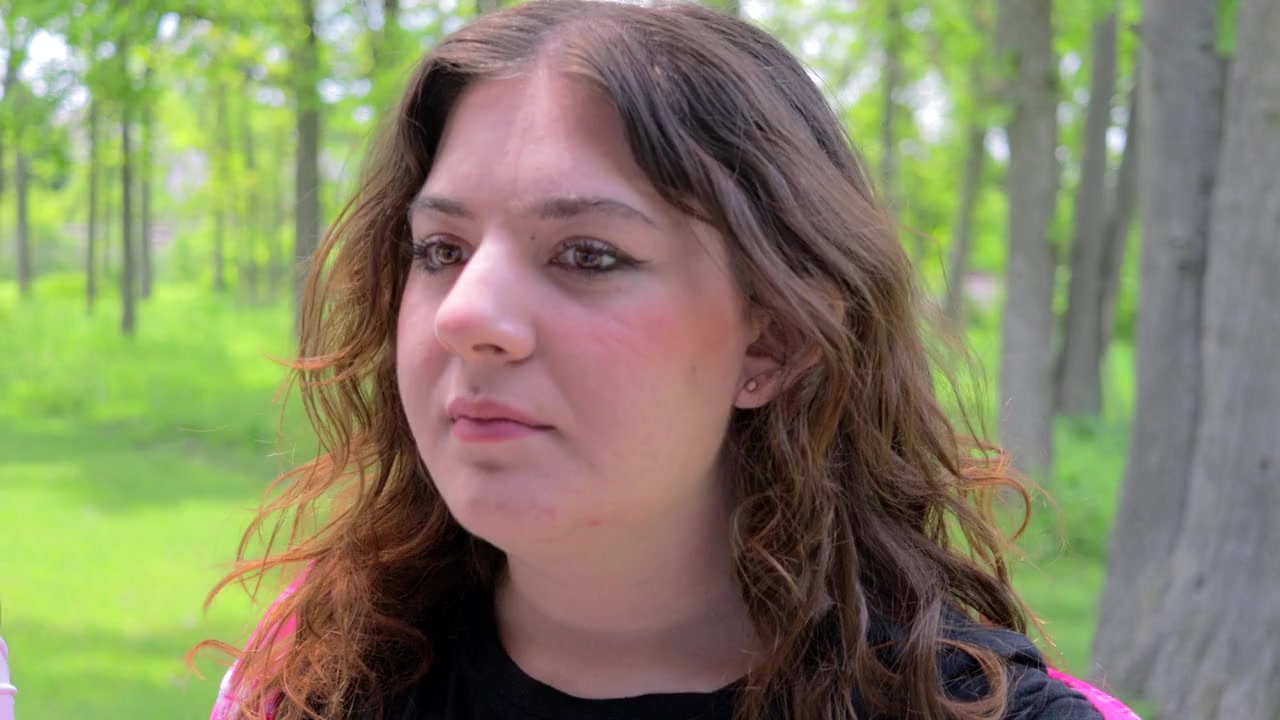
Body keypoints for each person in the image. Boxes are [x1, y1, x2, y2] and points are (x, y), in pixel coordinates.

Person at [201, 2, 1138, 718]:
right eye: (441, 249)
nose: (467, 314)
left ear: (772, 339)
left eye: (587, 255)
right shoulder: (313, 679)